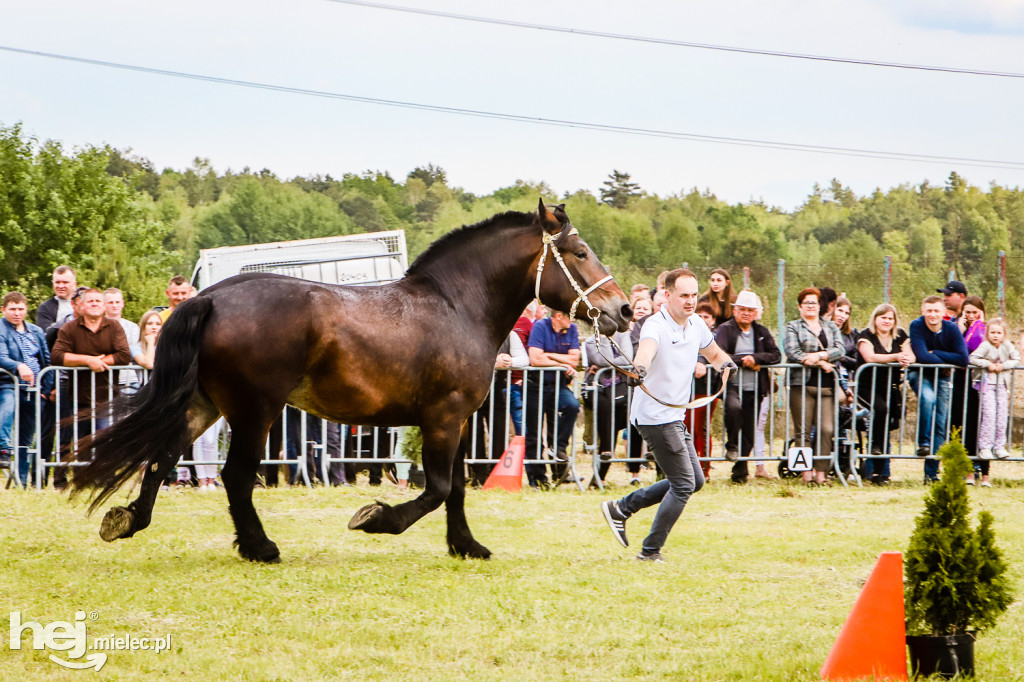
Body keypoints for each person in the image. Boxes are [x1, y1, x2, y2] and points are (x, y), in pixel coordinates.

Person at [600, 268, 736, 562]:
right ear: (667, 295)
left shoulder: (696, 322)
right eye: (683, 295)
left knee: (694, 481)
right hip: (655, 416)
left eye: (692, 295)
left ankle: (622, 508)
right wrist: (639, 369)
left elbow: (713, 353)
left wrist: (726, 364)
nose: (689, 301)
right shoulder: (654, 325)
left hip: (674, 416)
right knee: (684, 484)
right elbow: (646, 352)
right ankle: (650, 552)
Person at [50, 288, 132, 482]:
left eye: (98, 301)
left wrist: (100, 362)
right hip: (77, 396)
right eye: (90, 301)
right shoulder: (69, 329)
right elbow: (57, 356)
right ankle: (67, 479)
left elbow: (124, 355)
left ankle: (105, 478)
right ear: (81, 306)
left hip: (106, 396)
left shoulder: (114, 327)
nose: (94, 303)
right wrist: (88, 360)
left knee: (104, 439)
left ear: (104, 306)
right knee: (75, 440)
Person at [714, 290, 781, 483]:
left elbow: (775, 355)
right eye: (742, 309)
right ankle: (732, 444)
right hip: (732, 384)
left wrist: (757, 359)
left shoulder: (761, 332)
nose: (745, 313)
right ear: (735, 311)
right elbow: (720, 353)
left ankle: (740, 470)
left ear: (756, 313)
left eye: (750, 310)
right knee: (734, 409)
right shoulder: (725, 329)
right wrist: (745, 361)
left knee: (751, 430)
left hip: (756, 387)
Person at [783, 287, 845, 485]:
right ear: (800, 306)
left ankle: (822, 473)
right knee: (803, 431)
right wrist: (822, 363)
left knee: (827, 429)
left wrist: (819, 356)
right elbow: (793, 352)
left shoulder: (831, 327)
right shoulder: (793, 327)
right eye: (807, 303)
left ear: (820, 306)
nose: (811, 306)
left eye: (814, 303)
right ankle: (806, 474)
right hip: (801, 385)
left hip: (827, 386)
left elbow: (840, 349)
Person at [908, 295, 969, 482]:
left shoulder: (951, 329)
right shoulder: (916, 326)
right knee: (928, 399)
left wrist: (938, 354)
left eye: (936, 311)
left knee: (941, 422)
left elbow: (963, 359)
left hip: (943, 378)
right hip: (920, 374)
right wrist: (945, 363)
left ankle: (931, 473)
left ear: (943, 312)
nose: (932, 314)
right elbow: (922, 356)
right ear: (922, 311)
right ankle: (923, 442)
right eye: (929, 310)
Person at [0, 292, 54, 486]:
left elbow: (46, 362)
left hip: (34, 389)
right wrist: (18, 366)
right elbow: (2, 355)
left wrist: (46, 390)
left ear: (26, 309)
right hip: (8, 383)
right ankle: (3, 449)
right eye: (12, 309)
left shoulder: (36, 331)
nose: (17, 313)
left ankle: (21, 481)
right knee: (7, 407)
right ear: (3, 309)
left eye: (20, 309)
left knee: (26, 436)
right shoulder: (1, 329)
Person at [856, 304, 913, 484]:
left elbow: (911, 355)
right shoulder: (865, 335)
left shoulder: (900, 336)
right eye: (883, 317)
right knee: (880, 410)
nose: (887, 321)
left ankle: (881, 474)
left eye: (890, 318)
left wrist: (905, 358)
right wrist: (896, 357)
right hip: (867, 385)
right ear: (875, 319)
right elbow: (870, 357)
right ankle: (873, 452)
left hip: (891, 386)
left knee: (888, 422)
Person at [524, 309, 580, 488]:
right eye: (569, 316)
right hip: (536, 386)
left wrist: (548, 356)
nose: (573, 320)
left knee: (572, 405)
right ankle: (537, 478)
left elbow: (575, 359)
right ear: (558, 317)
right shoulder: (540, 327)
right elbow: (535, 359)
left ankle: (559, 450)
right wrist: (562, 363)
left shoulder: (572, 329)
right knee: (533, 433)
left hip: (558, 385)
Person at [584, 329, 642, 483]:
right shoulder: (591, 341)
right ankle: (600, 473)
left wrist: (608, 364)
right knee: (607, 416)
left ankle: (635, 474)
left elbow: (627, 358)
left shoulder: (623, 336)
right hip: (599, 388)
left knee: (634, 419)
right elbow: (605, 360)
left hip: (621, 386)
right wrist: (602, 338)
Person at [969, 318, 1019, 484]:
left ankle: (999, 446)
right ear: (987, 333)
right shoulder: (984, 346)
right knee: (989, 415)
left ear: (1004, 334)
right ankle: (985, 447)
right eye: (993, 332)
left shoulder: (1007, 346)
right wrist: (988, 364)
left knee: (1001, 416)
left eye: (999, 333)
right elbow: (973, 358)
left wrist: (1004, 365)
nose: (996, 336)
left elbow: (1016, 358)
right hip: (986, 385)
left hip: (1002, 385)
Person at [686, 302, 721, 478]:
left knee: (701, 429)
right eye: (698, 315)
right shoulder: (686, 334)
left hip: (706, 390)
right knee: (687, 429)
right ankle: (690, 467)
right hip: (685, 390)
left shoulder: (715, 337)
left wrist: (700, 362)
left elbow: (711, 353)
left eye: (706, 316)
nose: (702, 319)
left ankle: (704, 468)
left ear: (713, 320)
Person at [35, 266, 77, 330]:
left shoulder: (84, 305)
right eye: (57, 282)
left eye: (65, 282)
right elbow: (46, 335)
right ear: (53, 284)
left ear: (74, 284)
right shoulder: (46, 308)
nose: (60, 286)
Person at [833, 296, 861, 374]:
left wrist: (840, 357)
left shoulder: (853, 335)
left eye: (846, 313)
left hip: (846, 377)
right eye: (840, 310)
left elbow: (857, 361)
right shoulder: (822, 331)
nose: (842, 316)